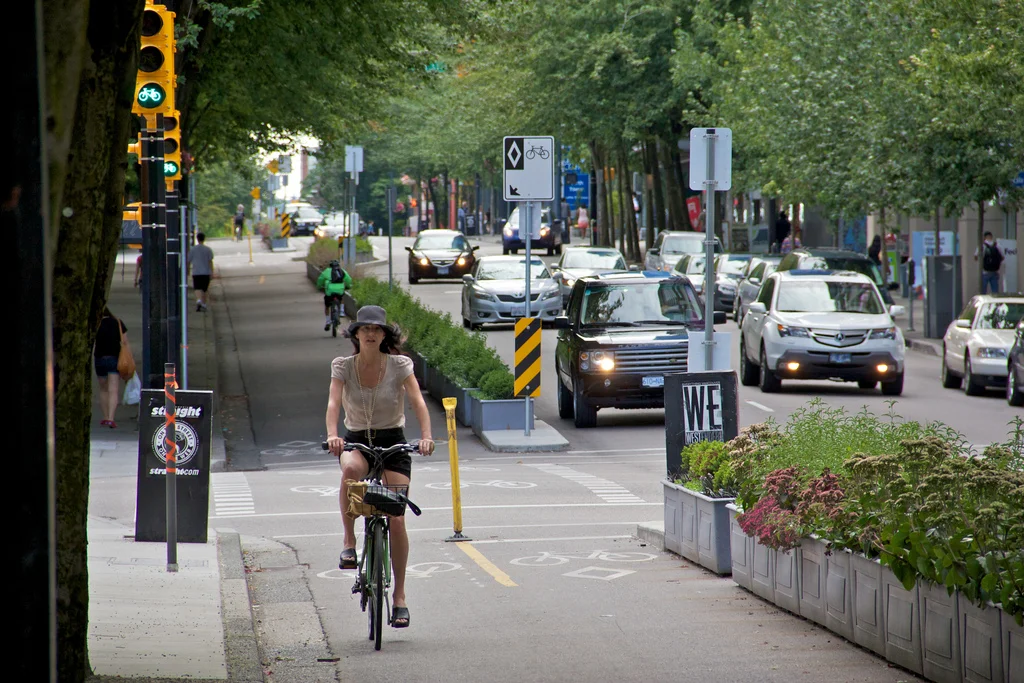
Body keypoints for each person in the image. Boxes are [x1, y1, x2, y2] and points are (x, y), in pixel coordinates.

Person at [325, 306, 435, 629]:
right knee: (349, 471)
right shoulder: (342, 367)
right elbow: (333, 403)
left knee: (396, 516)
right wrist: (333, 436)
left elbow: (418, 402)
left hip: (393, 443)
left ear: (385, 335)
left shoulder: (400, 365)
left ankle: (399, 597)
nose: (370, 334)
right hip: (357, 440)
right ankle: (349, 543)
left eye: (377, 329)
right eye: (364, 329)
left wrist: (426, 438)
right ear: (356, 335)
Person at [94, 308, 128, 429]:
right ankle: (111, 418)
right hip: (114, 358)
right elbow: (124, 341)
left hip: (99, 358)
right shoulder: (118, 323)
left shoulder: (96, 324)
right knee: (113, 390)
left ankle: (104, 417)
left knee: (103, 389)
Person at [316, 259, 353, 331]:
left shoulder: (326, 271)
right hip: (340, 290)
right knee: (341, 297)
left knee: (327, 306)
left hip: (329, 292)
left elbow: (320, 280)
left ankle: (328, 321)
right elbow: (348, 279)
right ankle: (342, 311)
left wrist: (319, 286)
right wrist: (348, 286)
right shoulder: (342, 271)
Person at [188, 231, 215, 312]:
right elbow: (210, 261)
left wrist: (188, 270)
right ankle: (203, 303)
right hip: (206, 272)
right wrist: (211, 272)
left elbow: (188, 261)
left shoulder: (192, 250)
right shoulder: (208, 250)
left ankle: (199, 300)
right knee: (204, 289)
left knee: (197, 288)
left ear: (197, 239)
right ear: (204, 239)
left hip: (196, 272)